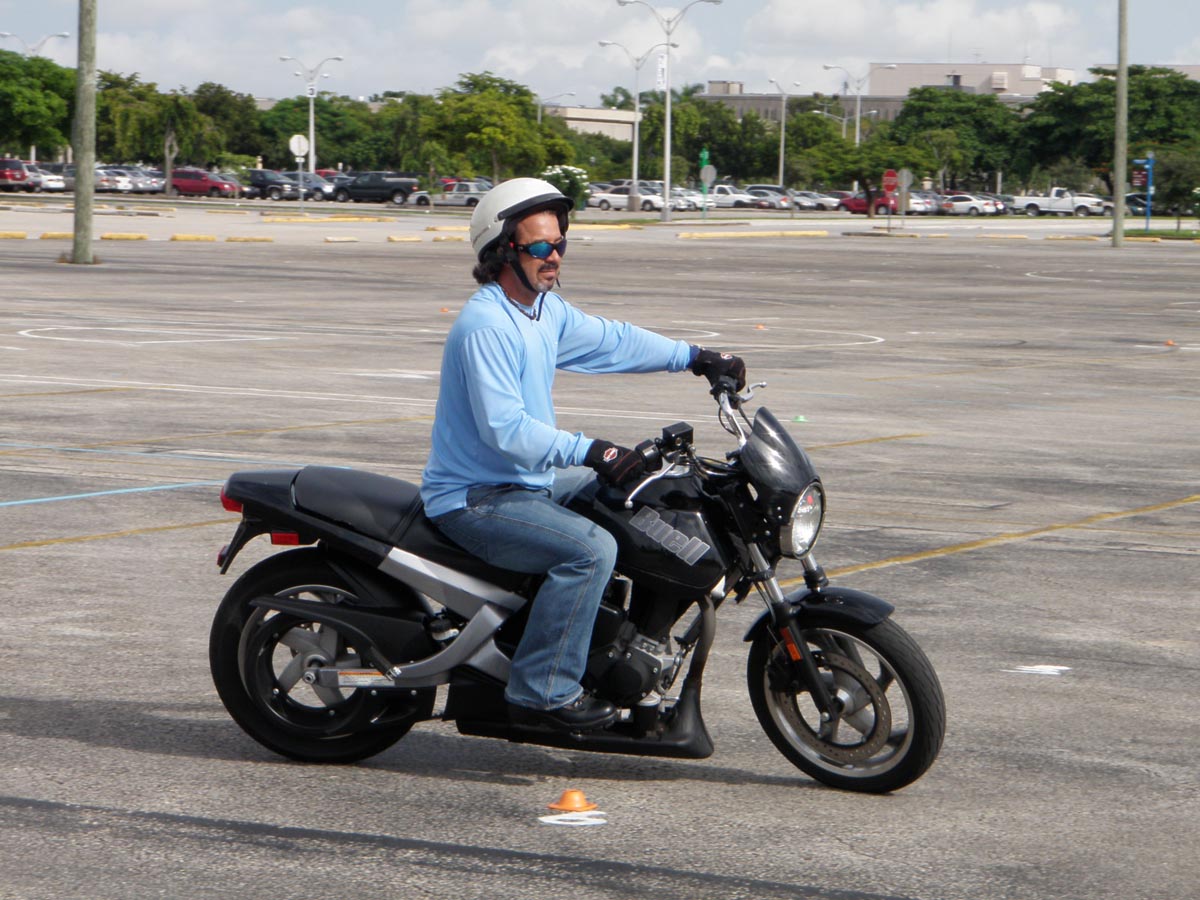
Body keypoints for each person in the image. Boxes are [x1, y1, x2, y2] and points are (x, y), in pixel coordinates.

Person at [420, 178, 745, 732]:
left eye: (559, 243)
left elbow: (611, 340)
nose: (554, 256)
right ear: (502, 251)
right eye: (539, 246)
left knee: (638, 501)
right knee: (590, 551)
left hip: (529, 483)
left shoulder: (541, 311)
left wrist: (695, 357)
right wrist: (593, 450)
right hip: (475, 498)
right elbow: (506, 431)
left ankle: (614, 645)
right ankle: (542, 690)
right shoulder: (487, 325)